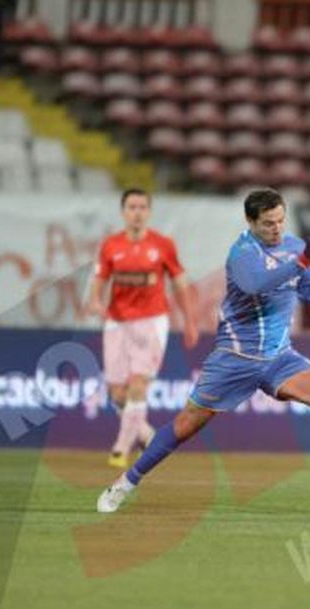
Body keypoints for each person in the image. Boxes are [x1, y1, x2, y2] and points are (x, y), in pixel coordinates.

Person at [95, 188, 310, 515]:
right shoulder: (241, 253)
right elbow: (258, 285)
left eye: (280, 221)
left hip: (279, 356)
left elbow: (308, 290)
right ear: (250, 221)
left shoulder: (294, 246)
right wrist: (303, 260)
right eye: (268, 223)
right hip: (235, 358)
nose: (277, 228)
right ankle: (124, 483)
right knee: (186, 425)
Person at [87, 188, 199, 469]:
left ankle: (120, 449)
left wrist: (190, 320)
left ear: (148, 212)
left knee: (138, 385)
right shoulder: (110, 245)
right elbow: (100, 278)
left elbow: (181, 283)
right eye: (131, 207)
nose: (137, 212)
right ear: (123, 212)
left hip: (151, 322)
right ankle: (148, 435)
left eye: (141, 207)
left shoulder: (163, 245)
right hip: (117, 322)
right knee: (117, 394)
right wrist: (95, 301)